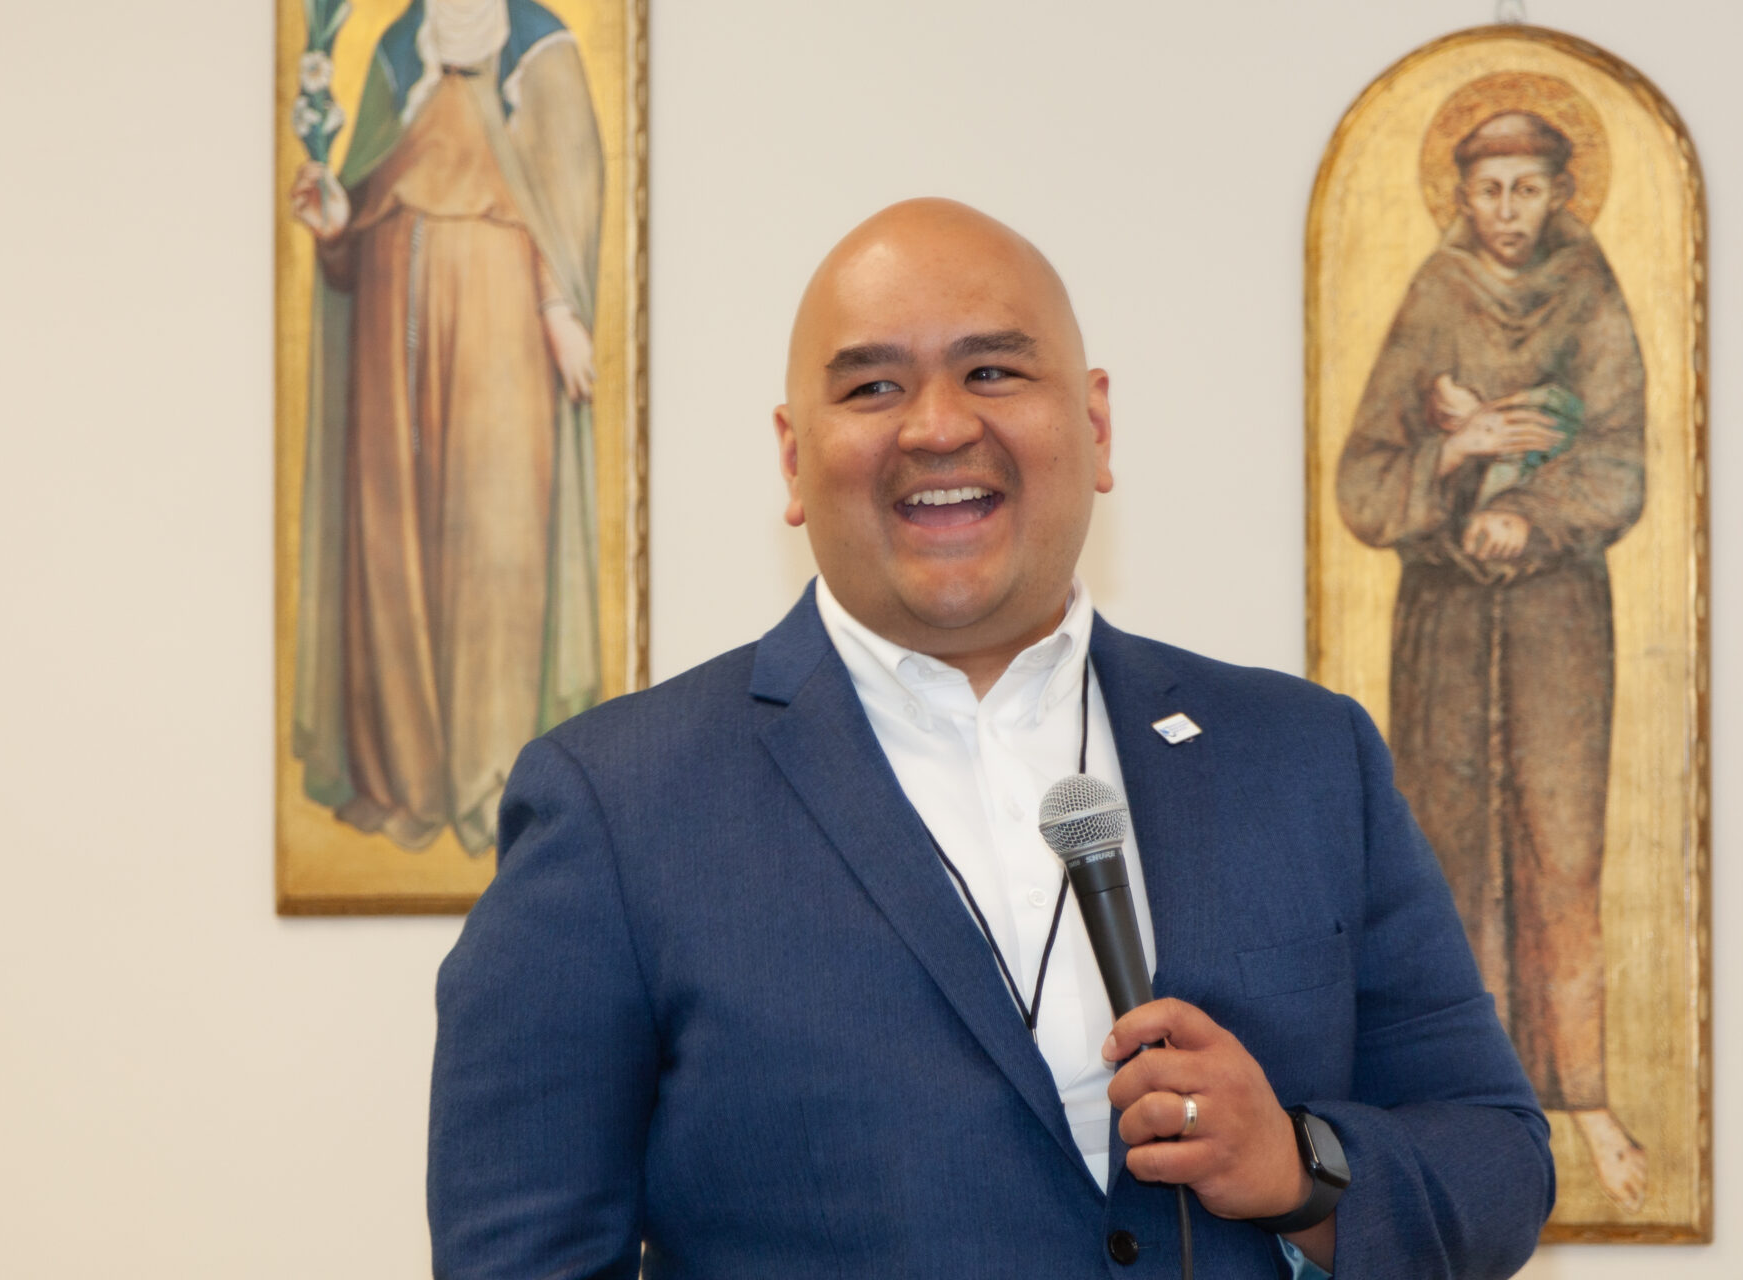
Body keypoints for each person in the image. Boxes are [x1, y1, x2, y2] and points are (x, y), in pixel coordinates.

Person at [430, 199, 1553, 1277]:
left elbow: (1496, 1159)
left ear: (1097, 424)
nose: (938, 425)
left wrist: (1299, 1164)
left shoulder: (1306, 755)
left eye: (994, 370)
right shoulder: (615, 804)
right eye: (873, 385)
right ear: (791, 455)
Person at [1336, 110, 1646, 1209]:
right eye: (1490, 189)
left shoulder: (1592, 291)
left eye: (1529, 188)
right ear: (1459, 196)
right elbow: (1365, 485)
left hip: (1560, 619)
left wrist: (1534, 507)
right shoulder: (1433, 296)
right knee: (1443, 851)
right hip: (1444, 625)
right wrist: (1460, 447)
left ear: (1564, 191)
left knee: (1560, 841)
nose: (1509, 211)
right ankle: (1455, 1105)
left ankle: (1582, 1088)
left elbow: (1620, 464)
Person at [288, 0, 604, 853]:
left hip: (502, 329)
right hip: (389, 334)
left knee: (496, 549)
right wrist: (333, 225)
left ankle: (498, 784)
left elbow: (563, 198)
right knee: (395, 549)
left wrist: (554, 305)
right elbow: (350, 228)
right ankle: (409, 776)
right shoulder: (398, 50)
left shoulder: (537, 51)